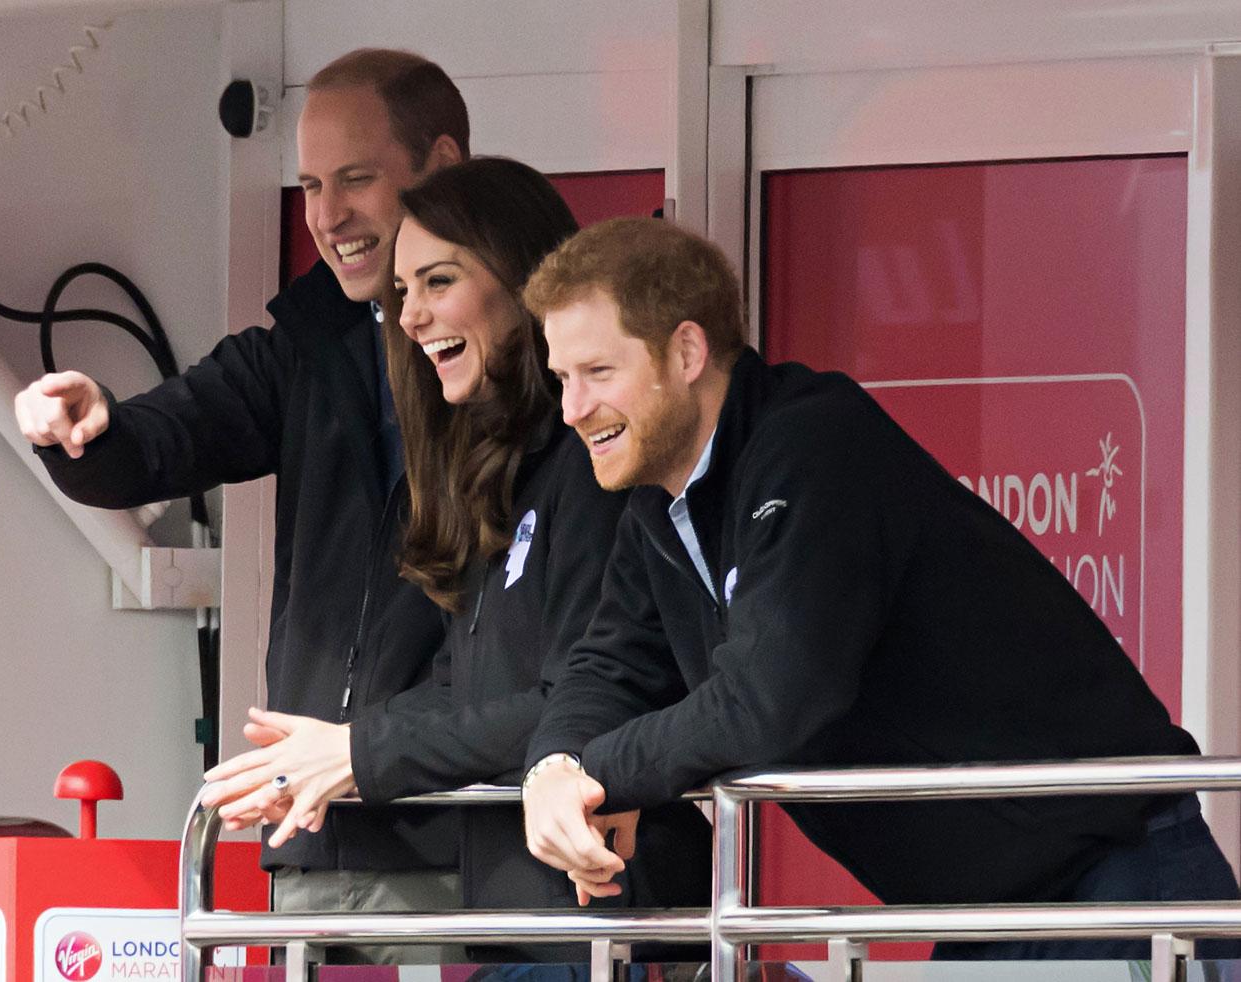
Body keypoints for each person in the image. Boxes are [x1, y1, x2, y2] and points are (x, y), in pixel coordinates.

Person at [518, 216, 1241, 961]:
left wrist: (601, 774)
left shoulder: (812, 443)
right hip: (987, 911)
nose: (573, 410)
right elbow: (607, 667)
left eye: (598, 374)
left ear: (688, 351)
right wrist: (555, 769)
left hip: (1109, 876)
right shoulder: (657, 507)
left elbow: (774, 696)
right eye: (563, 378)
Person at [12, 49, 470, 965]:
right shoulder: (307, 349)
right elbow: (165, 435)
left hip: (473, 837)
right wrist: (87, 429)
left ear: (444, 169)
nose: (327, 215)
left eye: (356, 179)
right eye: (308, 184)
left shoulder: (542, 362)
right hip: (316, 837)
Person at [201, 159, 712, 962]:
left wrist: (359, 756)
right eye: (401, 293)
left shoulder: (594, 462)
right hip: (522, 929)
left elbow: (578, 695)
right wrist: (331, 751)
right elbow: (467, 689)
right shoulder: (496, 471)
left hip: (613, 923)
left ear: (523, 283)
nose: (408, 317)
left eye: (437, 281)